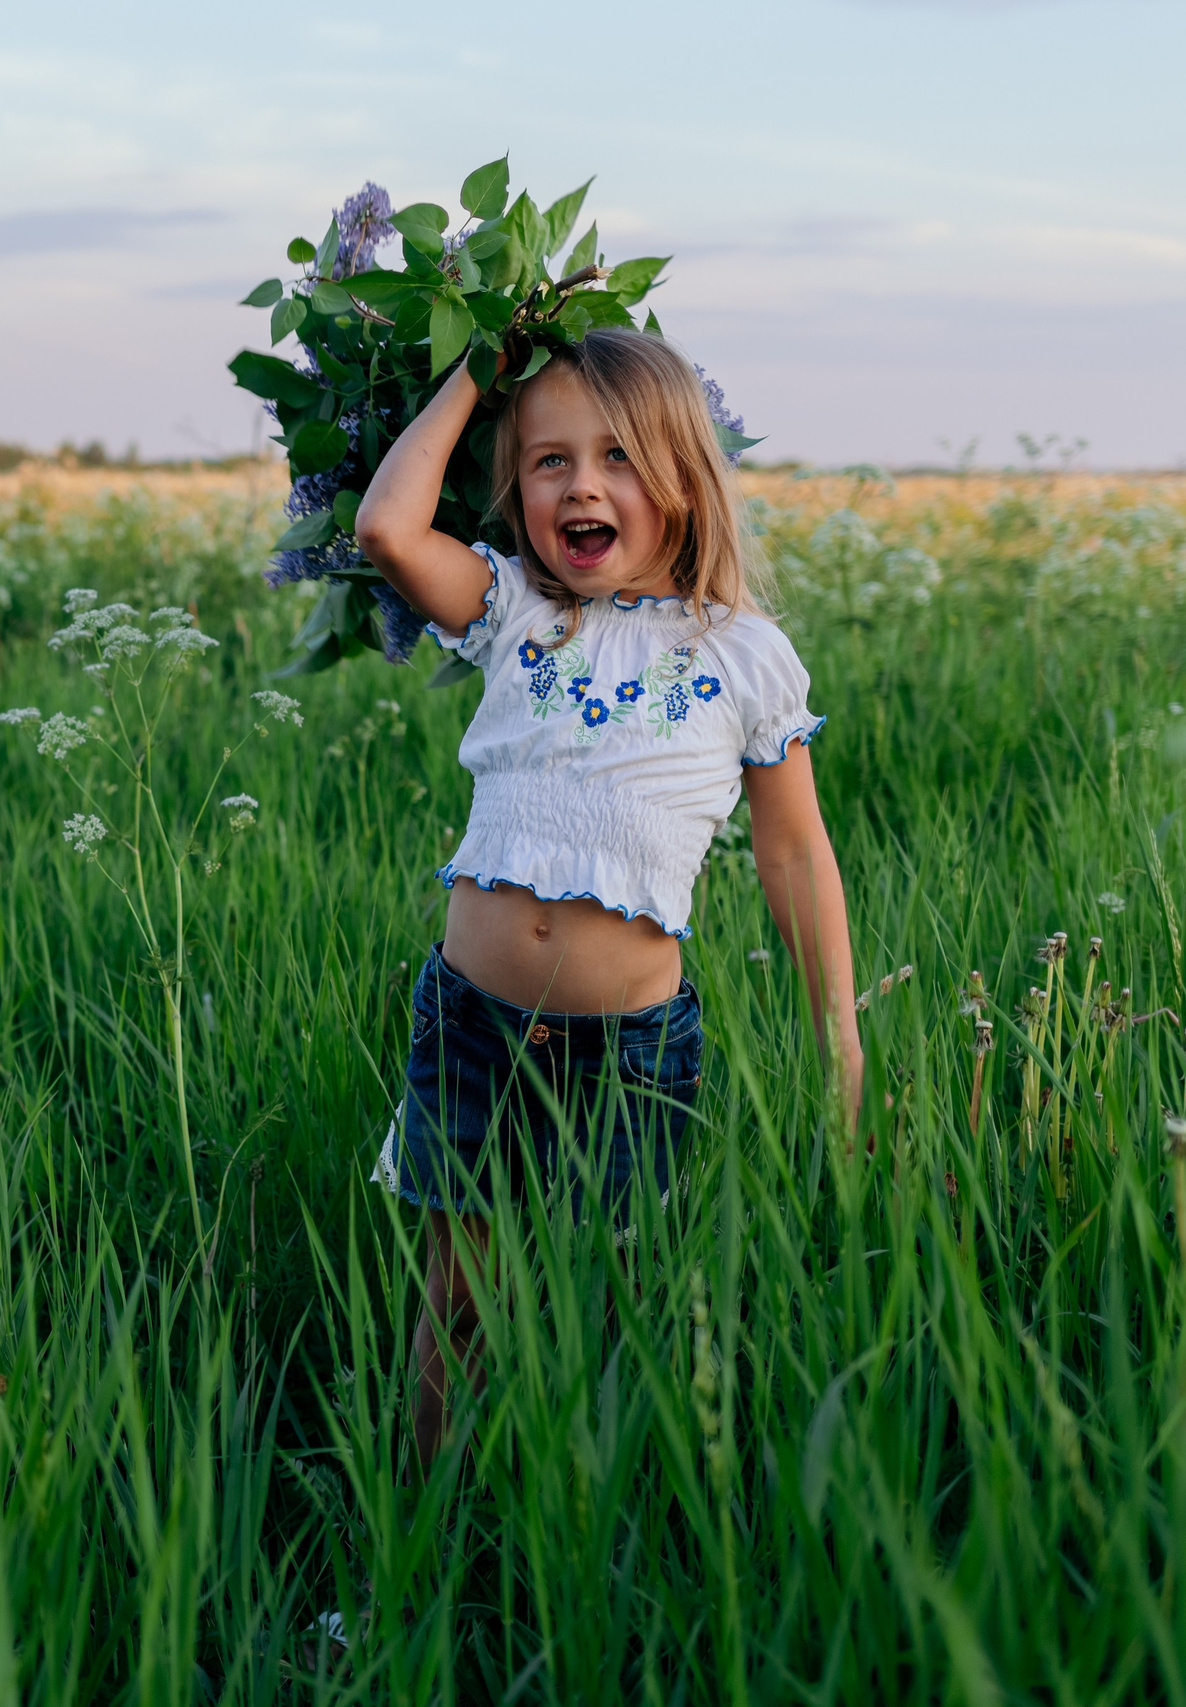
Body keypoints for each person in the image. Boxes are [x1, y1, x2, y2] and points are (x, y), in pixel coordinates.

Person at [353, 328, 862, 1466]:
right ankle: (426, 1544)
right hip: (475, 1026)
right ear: (516, 487)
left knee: (621, 1302)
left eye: (620, 456)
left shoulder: (743, 656)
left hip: (629, 1049)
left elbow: (793, 853)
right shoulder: (511, 611)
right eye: (548, 461)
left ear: (683, 479)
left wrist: (838, 1032)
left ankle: (594, 1533)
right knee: (458, 1303)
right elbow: (386, 529)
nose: (582, 482)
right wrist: (480, 363)